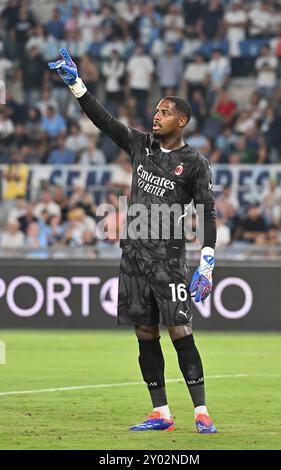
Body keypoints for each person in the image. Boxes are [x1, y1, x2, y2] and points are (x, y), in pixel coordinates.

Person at [48, 48, 217, 434]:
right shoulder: (140, 146)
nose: (157, 115)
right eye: (156, 110)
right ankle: (161, 412)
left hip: (168, 260)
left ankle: (201, 412)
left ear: (182, 120)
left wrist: (207, 264)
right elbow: (103, 120)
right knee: (144, 333)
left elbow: (207, 214)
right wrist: (76, 84)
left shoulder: (194, 164)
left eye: (166, 111)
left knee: (180, 332)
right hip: (134, 257)